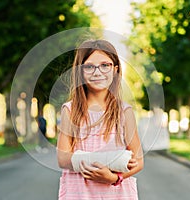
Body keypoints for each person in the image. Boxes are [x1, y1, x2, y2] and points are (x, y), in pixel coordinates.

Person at [56, 39, 144, 199]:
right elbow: (62, 158)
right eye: (89, 66)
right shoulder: (70, 110)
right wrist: (108, 161)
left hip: (117, 194)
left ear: (115, 69)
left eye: (105, 65)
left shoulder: (125, 112)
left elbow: (138, 161)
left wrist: (113, 178)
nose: (98, 72)